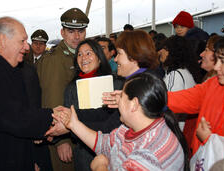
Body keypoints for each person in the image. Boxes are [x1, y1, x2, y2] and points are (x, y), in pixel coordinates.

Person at [0, 16, 62, 171]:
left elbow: (21, 112)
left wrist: (39, 134)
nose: (27, 47)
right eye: (22, 41)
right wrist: (51, 116)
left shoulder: (6, 69)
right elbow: (10, 117)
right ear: (3, 40)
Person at [56, 73, 187, 170]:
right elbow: (106, 144)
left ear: (134, 104)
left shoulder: (149, 155)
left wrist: (100, 166)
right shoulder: (131, 128)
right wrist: (74, 125)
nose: (117, 102)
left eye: (122, 97)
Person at [36, 7, 89, 171]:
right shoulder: (55, 59)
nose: (76, 36)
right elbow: (52, 101)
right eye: (71, 31)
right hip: (64, 136)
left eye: (80, 31)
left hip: (79, 132)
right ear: (62, 32)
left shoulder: (81, 56)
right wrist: (62, 140)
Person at [167, 34, 224, 158]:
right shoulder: (214, 85)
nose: (216, 67)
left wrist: (209, 141)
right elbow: (180, 99)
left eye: (223, 61)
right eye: (216, 60)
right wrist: (137, 96)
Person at [64, 39, 121, 171]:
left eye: (88, 53)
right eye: (79, 54)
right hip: (83, 153)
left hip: (113, 151)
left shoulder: (117, 84)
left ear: (100, 58)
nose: (83, 57)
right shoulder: (71, 88)